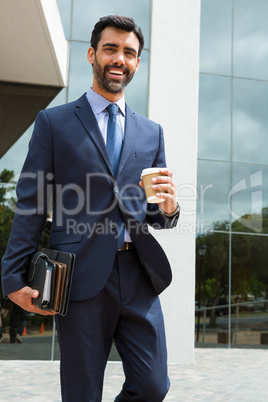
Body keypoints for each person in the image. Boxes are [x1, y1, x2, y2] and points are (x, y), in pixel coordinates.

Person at [1, 15, 180, 401]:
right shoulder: (54, 122)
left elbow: (153, 213)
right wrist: (12, 277)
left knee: (152, 386)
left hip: (138, 275)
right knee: (82, 392)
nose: (120, 58)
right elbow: (32, 204)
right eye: (111, 49)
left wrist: (168, 208)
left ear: (136, 62)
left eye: (129, 52)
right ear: (92, 54)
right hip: (79, 275)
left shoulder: (152, 132)